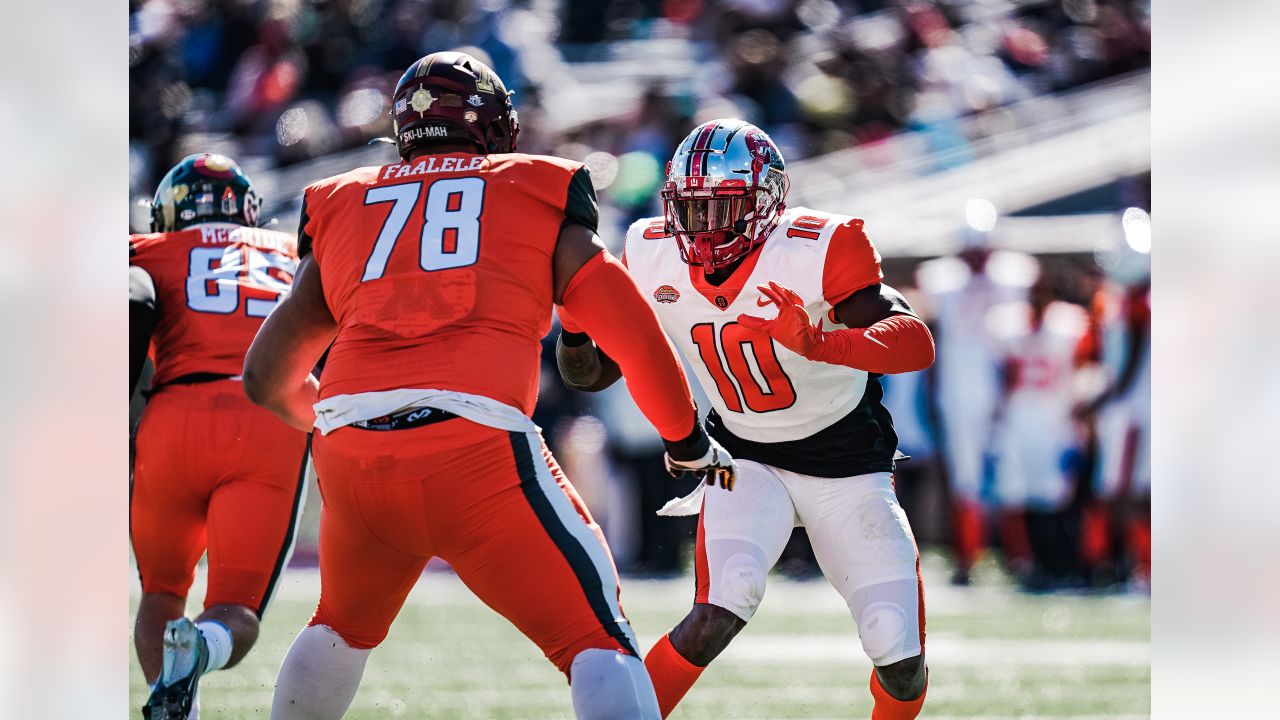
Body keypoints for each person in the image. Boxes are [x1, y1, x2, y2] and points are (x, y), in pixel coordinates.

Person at [240, 52, 736, 720]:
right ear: (495, 127)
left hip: (352, 452)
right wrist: (685, 438)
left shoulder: (344, 199)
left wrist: (342, 421)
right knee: (596, 638)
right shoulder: (530, 185)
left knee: (339, 627)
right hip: (475, 450)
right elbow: (631, 330)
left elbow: (266, 377)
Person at [558, 119, 935, 719]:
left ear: (766, 204)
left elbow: (914, 341)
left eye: (720, 208)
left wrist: (818, 343)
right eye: (691, 209)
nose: (701, 228)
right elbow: (589, 373)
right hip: (744, 456)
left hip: (848, 464)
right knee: (716, 611)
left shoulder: (818, 247)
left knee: (900, 658)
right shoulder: (650, 250)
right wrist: (576, 318)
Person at [130, 154, 310, 719]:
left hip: (173, 418)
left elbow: (133, 302)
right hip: (270, 414)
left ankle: (175, 702)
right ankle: (201, 650)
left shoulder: (144, 250)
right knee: (235, 610)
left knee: (160, 594)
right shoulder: (291, 253)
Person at [916, 234, 1039, 584]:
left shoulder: (1014, 274)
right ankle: (970, 557)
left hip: (1004, 387)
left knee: (1011, 474)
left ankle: (1020, 557)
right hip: (959, 389)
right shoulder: (943, 280)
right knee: (965, 478)